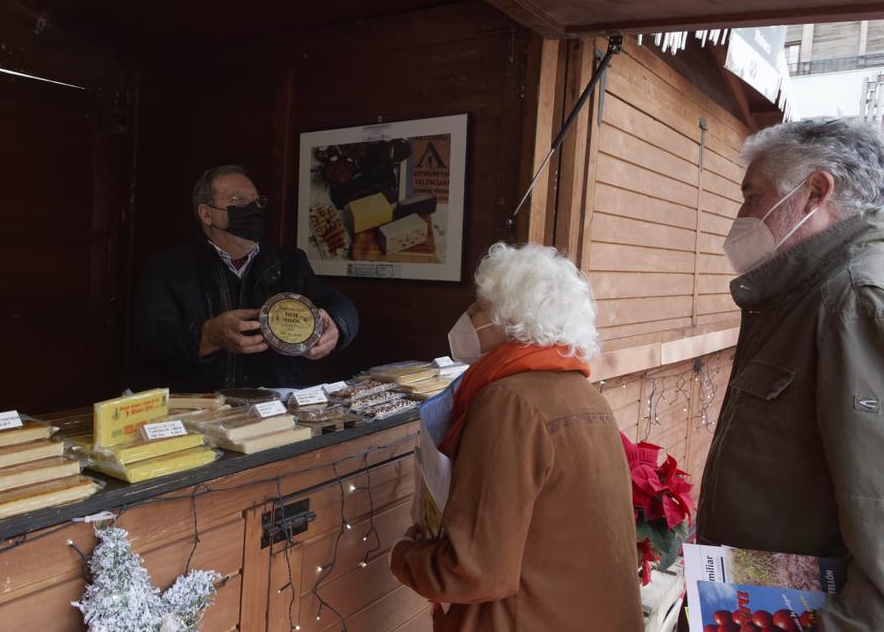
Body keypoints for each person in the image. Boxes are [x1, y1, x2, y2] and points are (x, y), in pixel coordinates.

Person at [390, 243, 642, 632]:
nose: (469, 316)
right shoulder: (582, 392)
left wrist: (405, 554)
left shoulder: (508, 401)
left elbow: (474, 569)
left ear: (509, 318)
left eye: (479, 306)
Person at [697, 118, 884, 629]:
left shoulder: (852, 299)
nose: (741, 216)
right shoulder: (800, 295)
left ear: (815, 192)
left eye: (752, 196)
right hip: (756, 599)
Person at [132, 165, 358, 392]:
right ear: (206, 214)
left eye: (257, 202)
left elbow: (339, 304)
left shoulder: (290, 263)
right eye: (238, 200)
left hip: (275, 405)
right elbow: (153, 341)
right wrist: (209, 335)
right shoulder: (168, 268)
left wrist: (338, 326)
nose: (253, 209)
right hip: (204, 406)